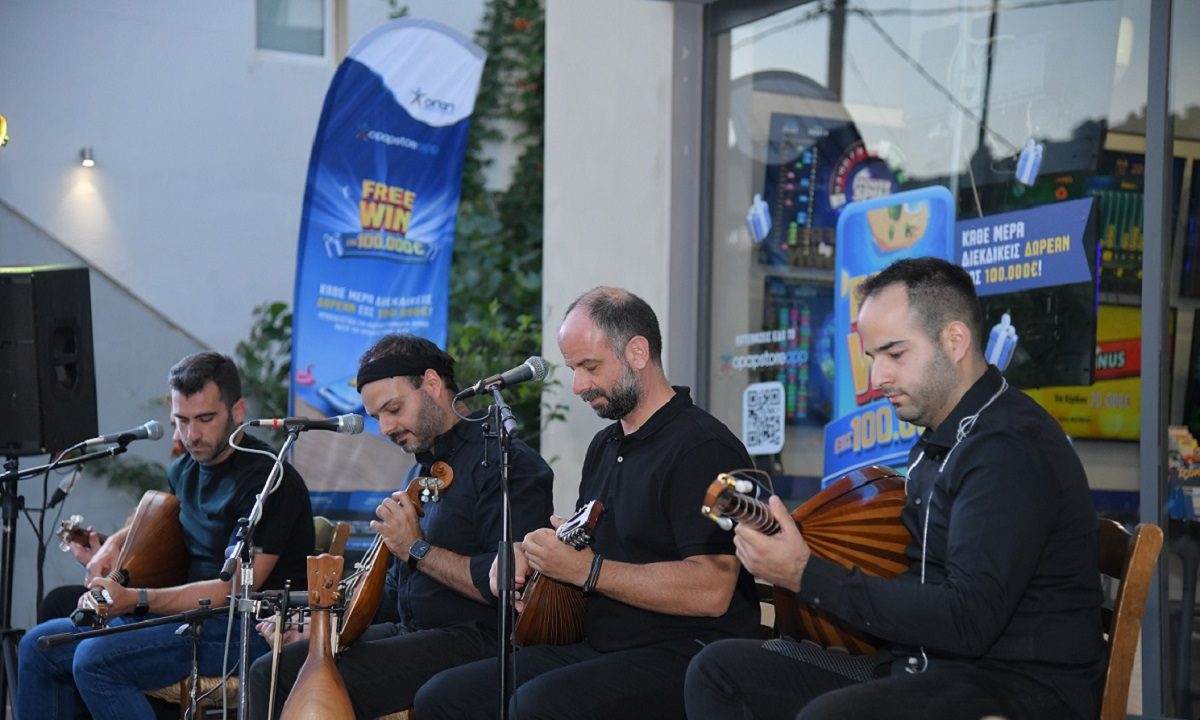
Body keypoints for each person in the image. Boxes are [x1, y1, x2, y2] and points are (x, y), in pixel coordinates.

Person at [685, 256, 1106, 720]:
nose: (877, 378)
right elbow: (925, 587)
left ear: (955, 340)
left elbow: (967, 620)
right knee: (718, 671)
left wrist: (805, 573)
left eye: (895, 354)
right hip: (924, 667)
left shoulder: (1007, 448)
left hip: (1017, 688)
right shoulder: (940, 441)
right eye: (872, 358)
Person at [414, 287, 760, 720]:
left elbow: (713, 590)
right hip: (602, 645)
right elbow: (586, 546)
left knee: (536, 706)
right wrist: (531, 554)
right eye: (572, 369)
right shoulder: (605, 445)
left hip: (688, 654)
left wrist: (588, 570)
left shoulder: (703, 447)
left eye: (589, 367)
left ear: (637, 352)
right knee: (443, 697)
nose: (578, 385)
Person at [247, 334, 555, 719]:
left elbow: (514, 586)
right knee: (271, 670)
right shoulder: (419, 471)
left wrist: (417, 549)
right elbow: (396, 596)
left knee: (314, 680)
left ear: (432, 383)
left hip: (479, 638)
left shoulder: (507, 463)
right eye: (377, 417)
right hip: (412, 631)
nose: (385, 427)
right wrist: (325, 630)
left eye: (393, 409)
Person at [18, 351, 315, 720]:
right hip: (187, 619)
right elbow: (159, 524)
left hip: (253, 628)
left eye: (205, 419)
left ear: (237, 412)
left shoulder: (270, 478)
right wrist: (113, 547)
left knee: (95, 660)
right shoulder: (184, 470)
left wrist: (135, 600)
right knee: (38, 646)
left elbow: (233, 588)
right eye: (182, 420)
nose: (191, 435)